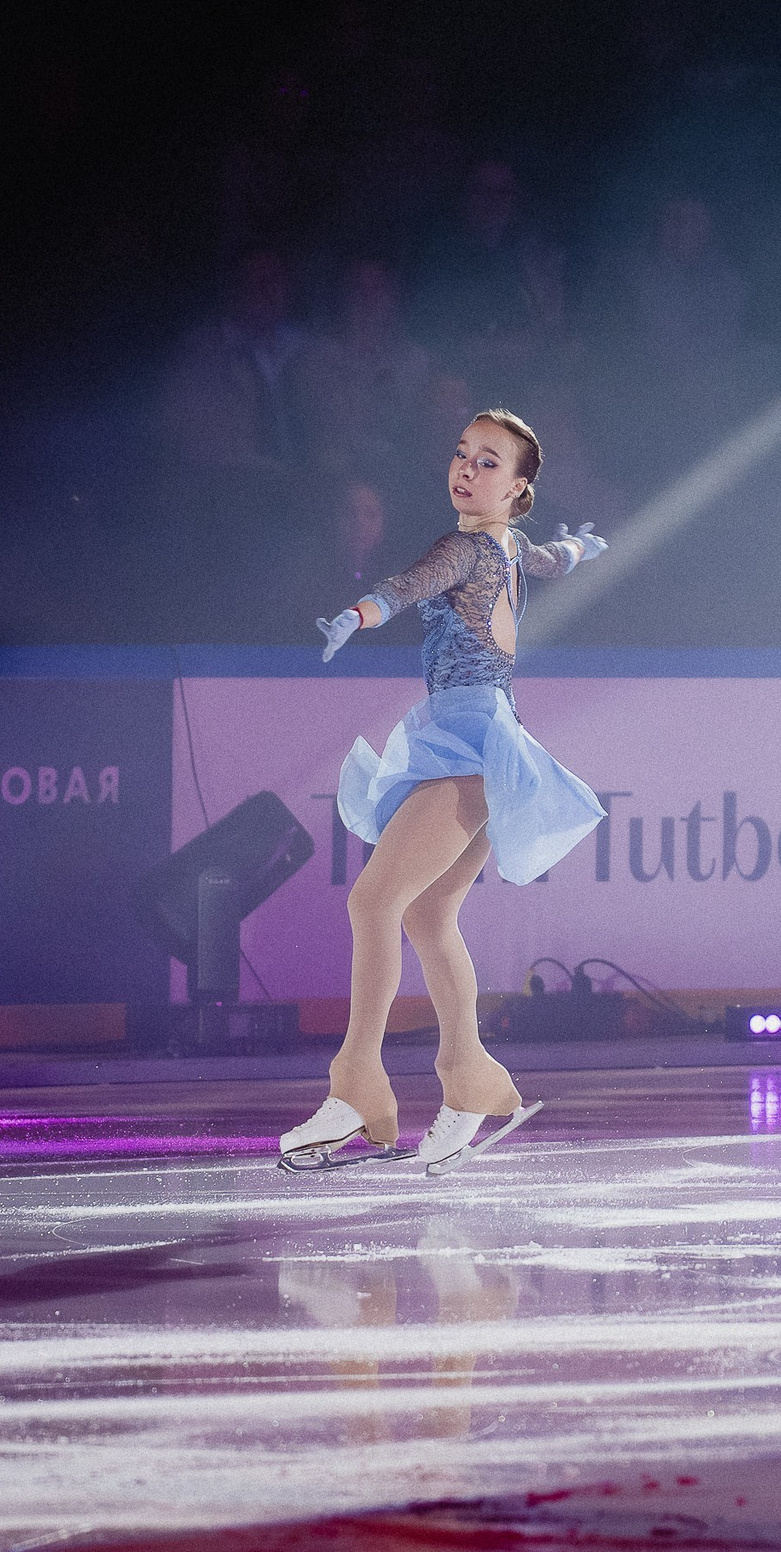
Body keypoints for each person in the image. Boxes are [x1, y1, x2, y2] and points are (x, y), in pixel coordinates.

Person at [280, 409, 608, 1177]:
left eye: (489, 462)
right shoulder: (511, 543)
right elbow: (550, 557)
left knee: (374, 902)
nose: (466, 468)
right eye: (462, 453)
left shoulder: (464, 546)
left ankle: (358, 1082)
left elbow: (407, 584)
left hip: (468, 746)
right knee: (428, 912)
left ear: (518, 486)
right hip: (482, 738)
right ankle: (471, 1076)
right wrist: (582, 547)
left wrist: (360, 613)